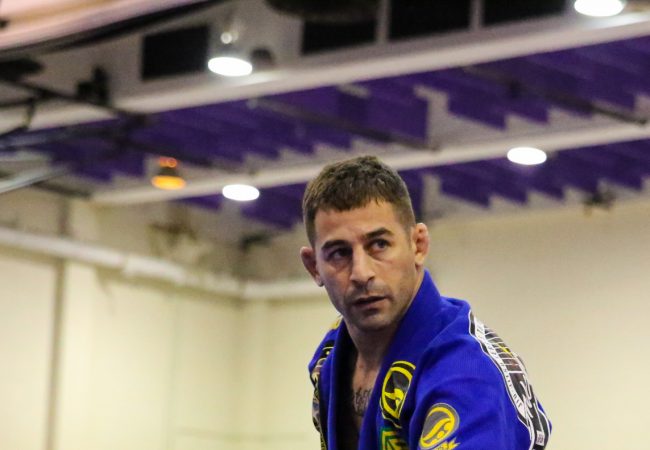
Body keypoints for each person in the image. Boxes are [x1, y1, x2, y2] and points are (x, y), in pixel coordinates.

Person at [300, 156, 550, 450]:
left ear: (418, 245)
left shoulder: (466, 374)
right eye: (339, 253)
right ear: (314, 267)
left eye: (379, 245)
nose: (361, 273)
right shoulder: (331, 356)